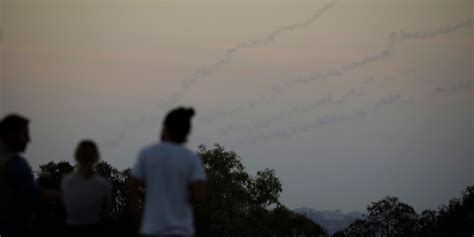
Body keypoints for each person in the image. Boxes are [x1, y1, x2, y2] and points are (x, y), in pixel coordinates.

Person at [129, 107, 207, 237]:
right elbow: (200, 195)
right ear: (186, 133)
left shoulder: (147, 154)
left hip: (151, 230)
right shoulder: (191, 158)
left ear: (165, 128)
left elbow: (132, 188)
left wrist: (139, 217)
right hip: (182, 231)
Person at [0, 114, 58, 237]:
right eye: (24, 134)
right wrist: (62, 195)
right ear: (11, 136)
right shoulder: (16, 164)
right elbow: (34, 194)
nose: (28, 139)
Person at [61, 140, 112, 237]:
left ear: (77, 156)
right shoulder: (103, 184)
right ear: (96, 157)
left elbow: (63, 207)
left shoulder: (66, 181)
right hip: (95, 230)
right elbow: (106, 211)